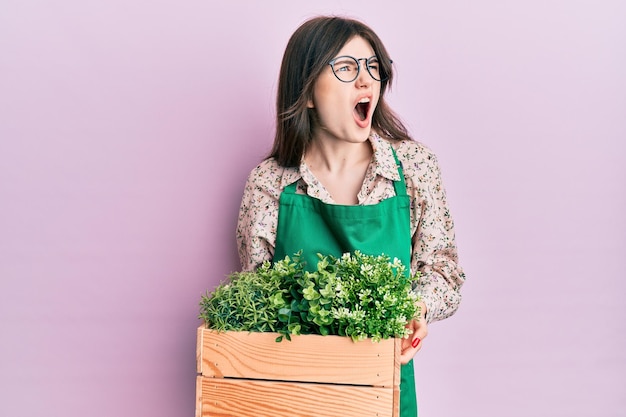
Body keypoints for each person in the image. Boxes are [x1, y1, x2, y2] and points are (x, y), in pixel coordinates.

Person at [236, 15, 465, 417]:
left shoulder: (413, 167)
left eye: (373, 67)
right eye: (346, 68)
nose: (366, 81)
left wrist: (417, 307)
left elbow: (443, 271)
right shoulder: (270, 183)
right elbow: (260, 298)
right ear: (306, 92)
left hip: (384, 390)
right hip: (294, 394)